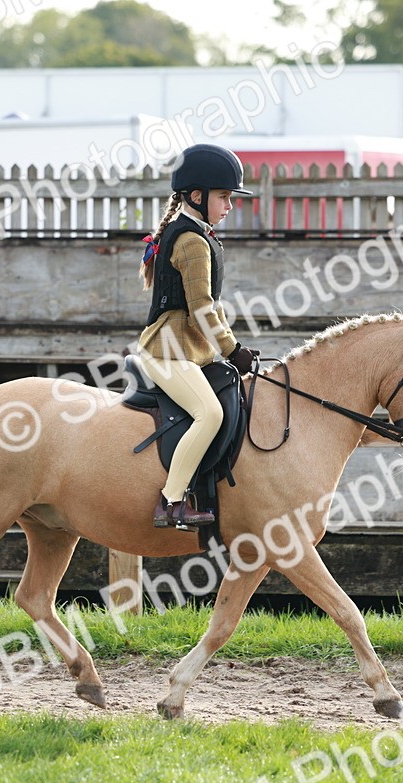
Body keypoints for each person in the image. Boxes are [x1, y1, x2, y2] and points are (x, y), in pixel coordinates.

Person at [137, 143, 260, 529]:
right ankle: (171, 501)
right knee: (209, 414)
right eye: (224, 196)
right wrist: (232, 349)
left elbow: (213, 307)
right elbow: (202, 308)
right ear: (196, 196)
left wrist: (233, 346)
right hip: (168, 352)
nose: (229, 205)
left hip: (187, 349)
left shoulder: (197, 234)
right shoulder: (191, 242)